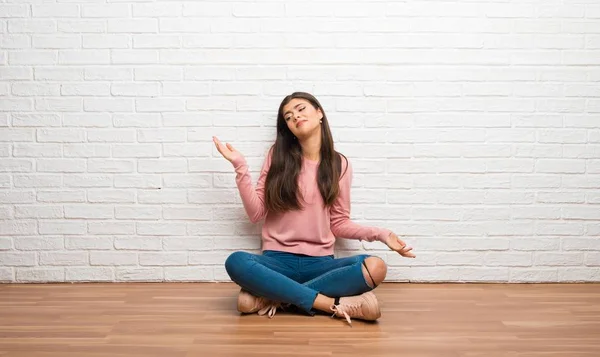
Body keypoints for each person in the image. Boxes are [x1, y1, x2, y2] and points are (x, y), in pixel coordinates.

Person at [212, 92, 415, 326]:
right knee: (236, 261)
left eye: (300, 109)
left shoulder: (340, 164)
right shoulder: (276, 156)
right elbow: (256, 213)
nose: (295, 117)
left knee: (375, 267)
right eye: (288, 117)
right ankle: (332, 304)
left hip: (321, 265)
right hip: (277, 262)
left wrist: (382, 234)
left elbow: (339, 223)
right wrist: (240, 167)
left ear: (319, 113)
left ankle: (274, 298)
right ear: (288, 128)